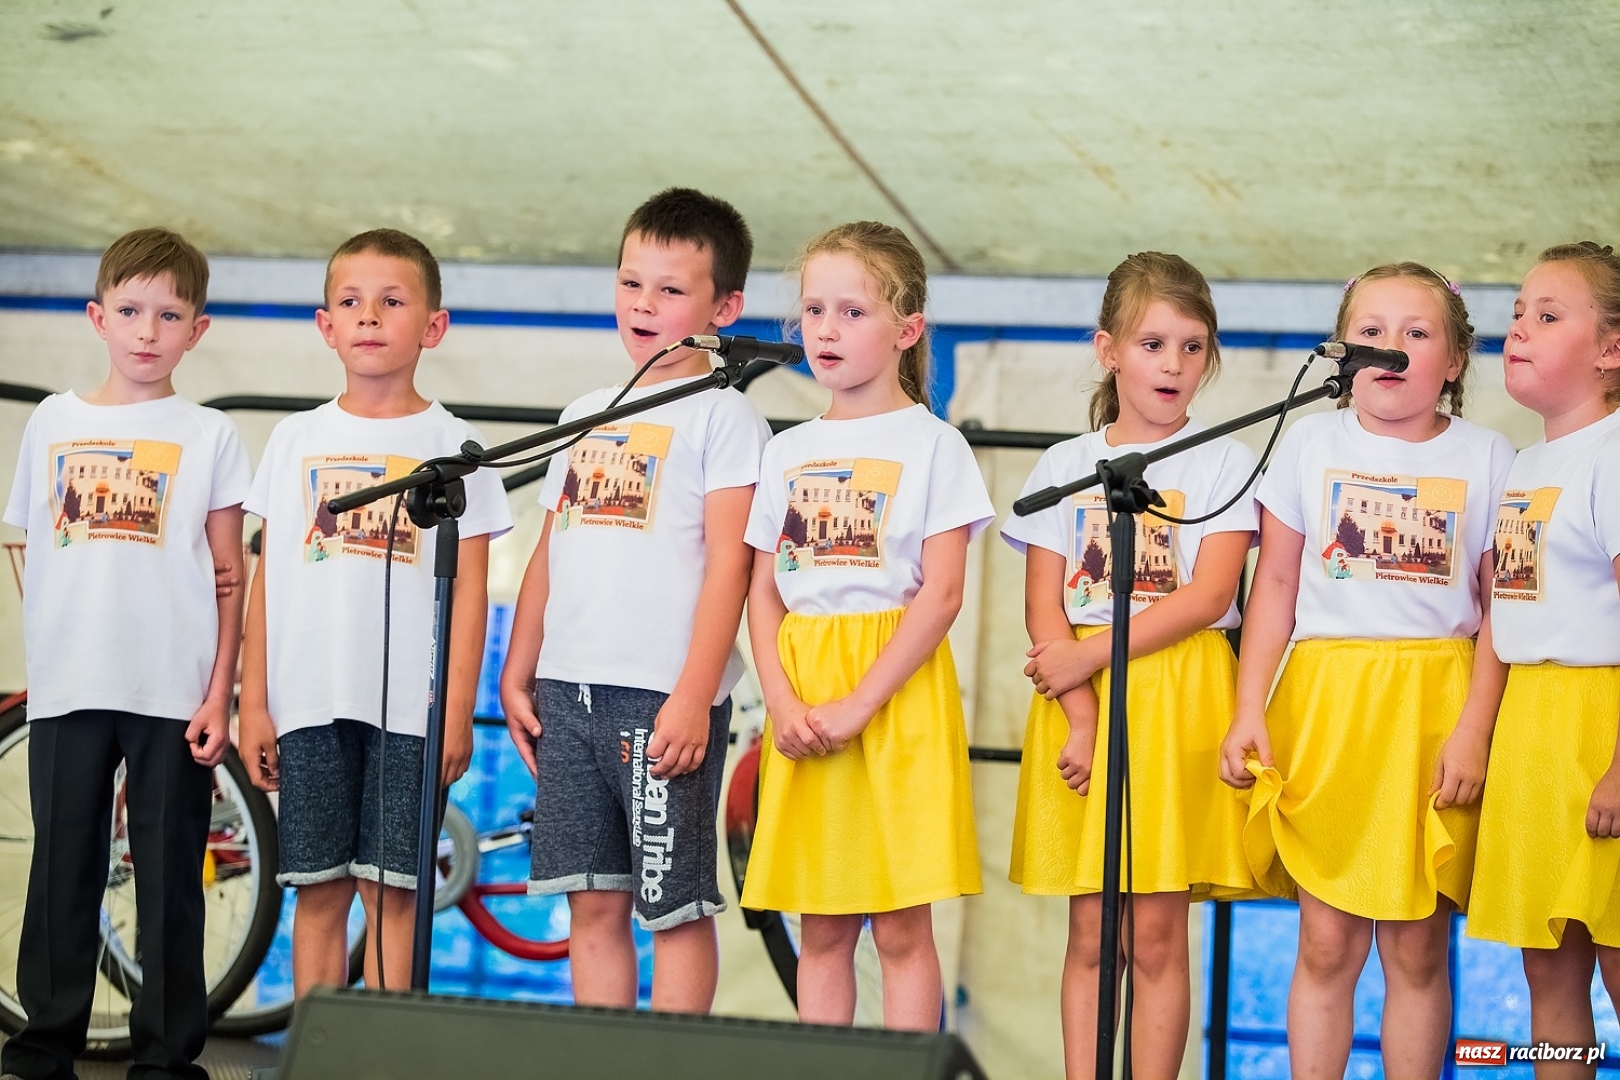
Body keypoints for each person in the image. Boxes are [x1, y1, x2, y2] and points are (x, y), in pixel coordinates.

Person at [1219, 263, 1514, 1077]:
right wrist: (1250, 709)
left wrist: (1474, 730)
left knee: (1417, 950)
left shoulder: (1491, 456)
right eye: (1373, 332)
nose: (1392, 349)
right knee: (1325, 940)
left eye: (1418, 334)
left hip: (1434, 707)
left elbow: (1501, 610)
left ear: (1454, 360)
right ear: (1343, 350)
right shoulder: (1309, 441)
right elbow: (1273, 587)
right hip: (1327, 707)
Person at [499, 188, 771, 1013]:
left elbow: (733, 564)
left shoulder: (726, 419)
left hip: (663, 701)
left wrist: (694, 695)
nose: (644, 306)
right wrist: (518, 672)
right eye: (630, 283)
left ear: (724, 307)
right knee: (592, 900)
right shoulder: (584, 414)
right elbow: (551, 547)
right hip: (567, 691)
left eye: (670, 290)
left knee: (675, 909)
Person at [2, 228, 250, 1080]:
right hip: (70, 690)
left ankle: (166, 1059)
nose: (148, 330)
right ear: (96, 317)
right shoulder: (53, 421)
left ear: (198, 329)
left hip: (173, 694)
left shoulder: (209, 434)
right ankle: (43, 1051)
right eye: (132, 311)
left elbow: (228, 571)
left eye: (169, 314)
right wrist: (59, 643)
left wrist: (221, 690)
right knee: (62, 868)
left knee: (171, 877)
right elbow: (26, 544)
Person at [1003, 252, 1258, 1079]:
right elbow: (1044, 606)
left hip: (1177, 698)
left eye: (1192, 347)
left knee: (1155, 931)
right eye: (1153, 344)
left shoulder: (1224, 461)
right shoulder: (1061, 466)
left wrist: (1088, 656)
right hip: (1082, 695)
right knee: (1092, 930)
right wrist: (1080, 709)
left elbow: (1210, 593)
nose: (1173, 365)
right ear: (1109, 349)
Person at [237, 228, 511, 995]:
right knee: (319, 891)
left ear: (433, 326)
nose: (369, 317)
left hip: (410, 715)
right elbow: (269, 582)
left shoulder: (456, 446)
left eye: (391, 302)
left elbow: (470, 589)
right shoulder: (294, 439)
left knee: (394, 892)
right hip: (308, 705)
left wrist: (458, 708)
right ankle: (318, 1055)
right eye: (351, 302)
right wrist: (253, 702)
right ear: (326, 325)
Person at [739, 221, 993, 1030]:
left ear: (906, 329)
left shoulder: (935, 445)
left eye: (851, 312)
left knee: (900, 927)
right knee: (820, 925)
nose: (825, 330)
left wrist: (860, 704)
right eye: (813, 310)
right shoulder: (786, 451)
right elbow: (764, 589)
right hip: (806, 684)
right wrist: (781, 700)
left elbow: (943, 594)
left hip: (895, 691)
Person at [1469, 241, 1620, 1075]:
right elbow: (1504, 611)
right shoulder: (1526, 464)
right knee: (1547, 967)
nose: (1519, 328)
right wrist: (1476, 733)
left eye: (1549, 316)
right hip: (1532, 732)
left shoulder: (1615, 455)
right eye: (1518, 313)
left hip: (1601, 724)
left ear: (1611, 350)